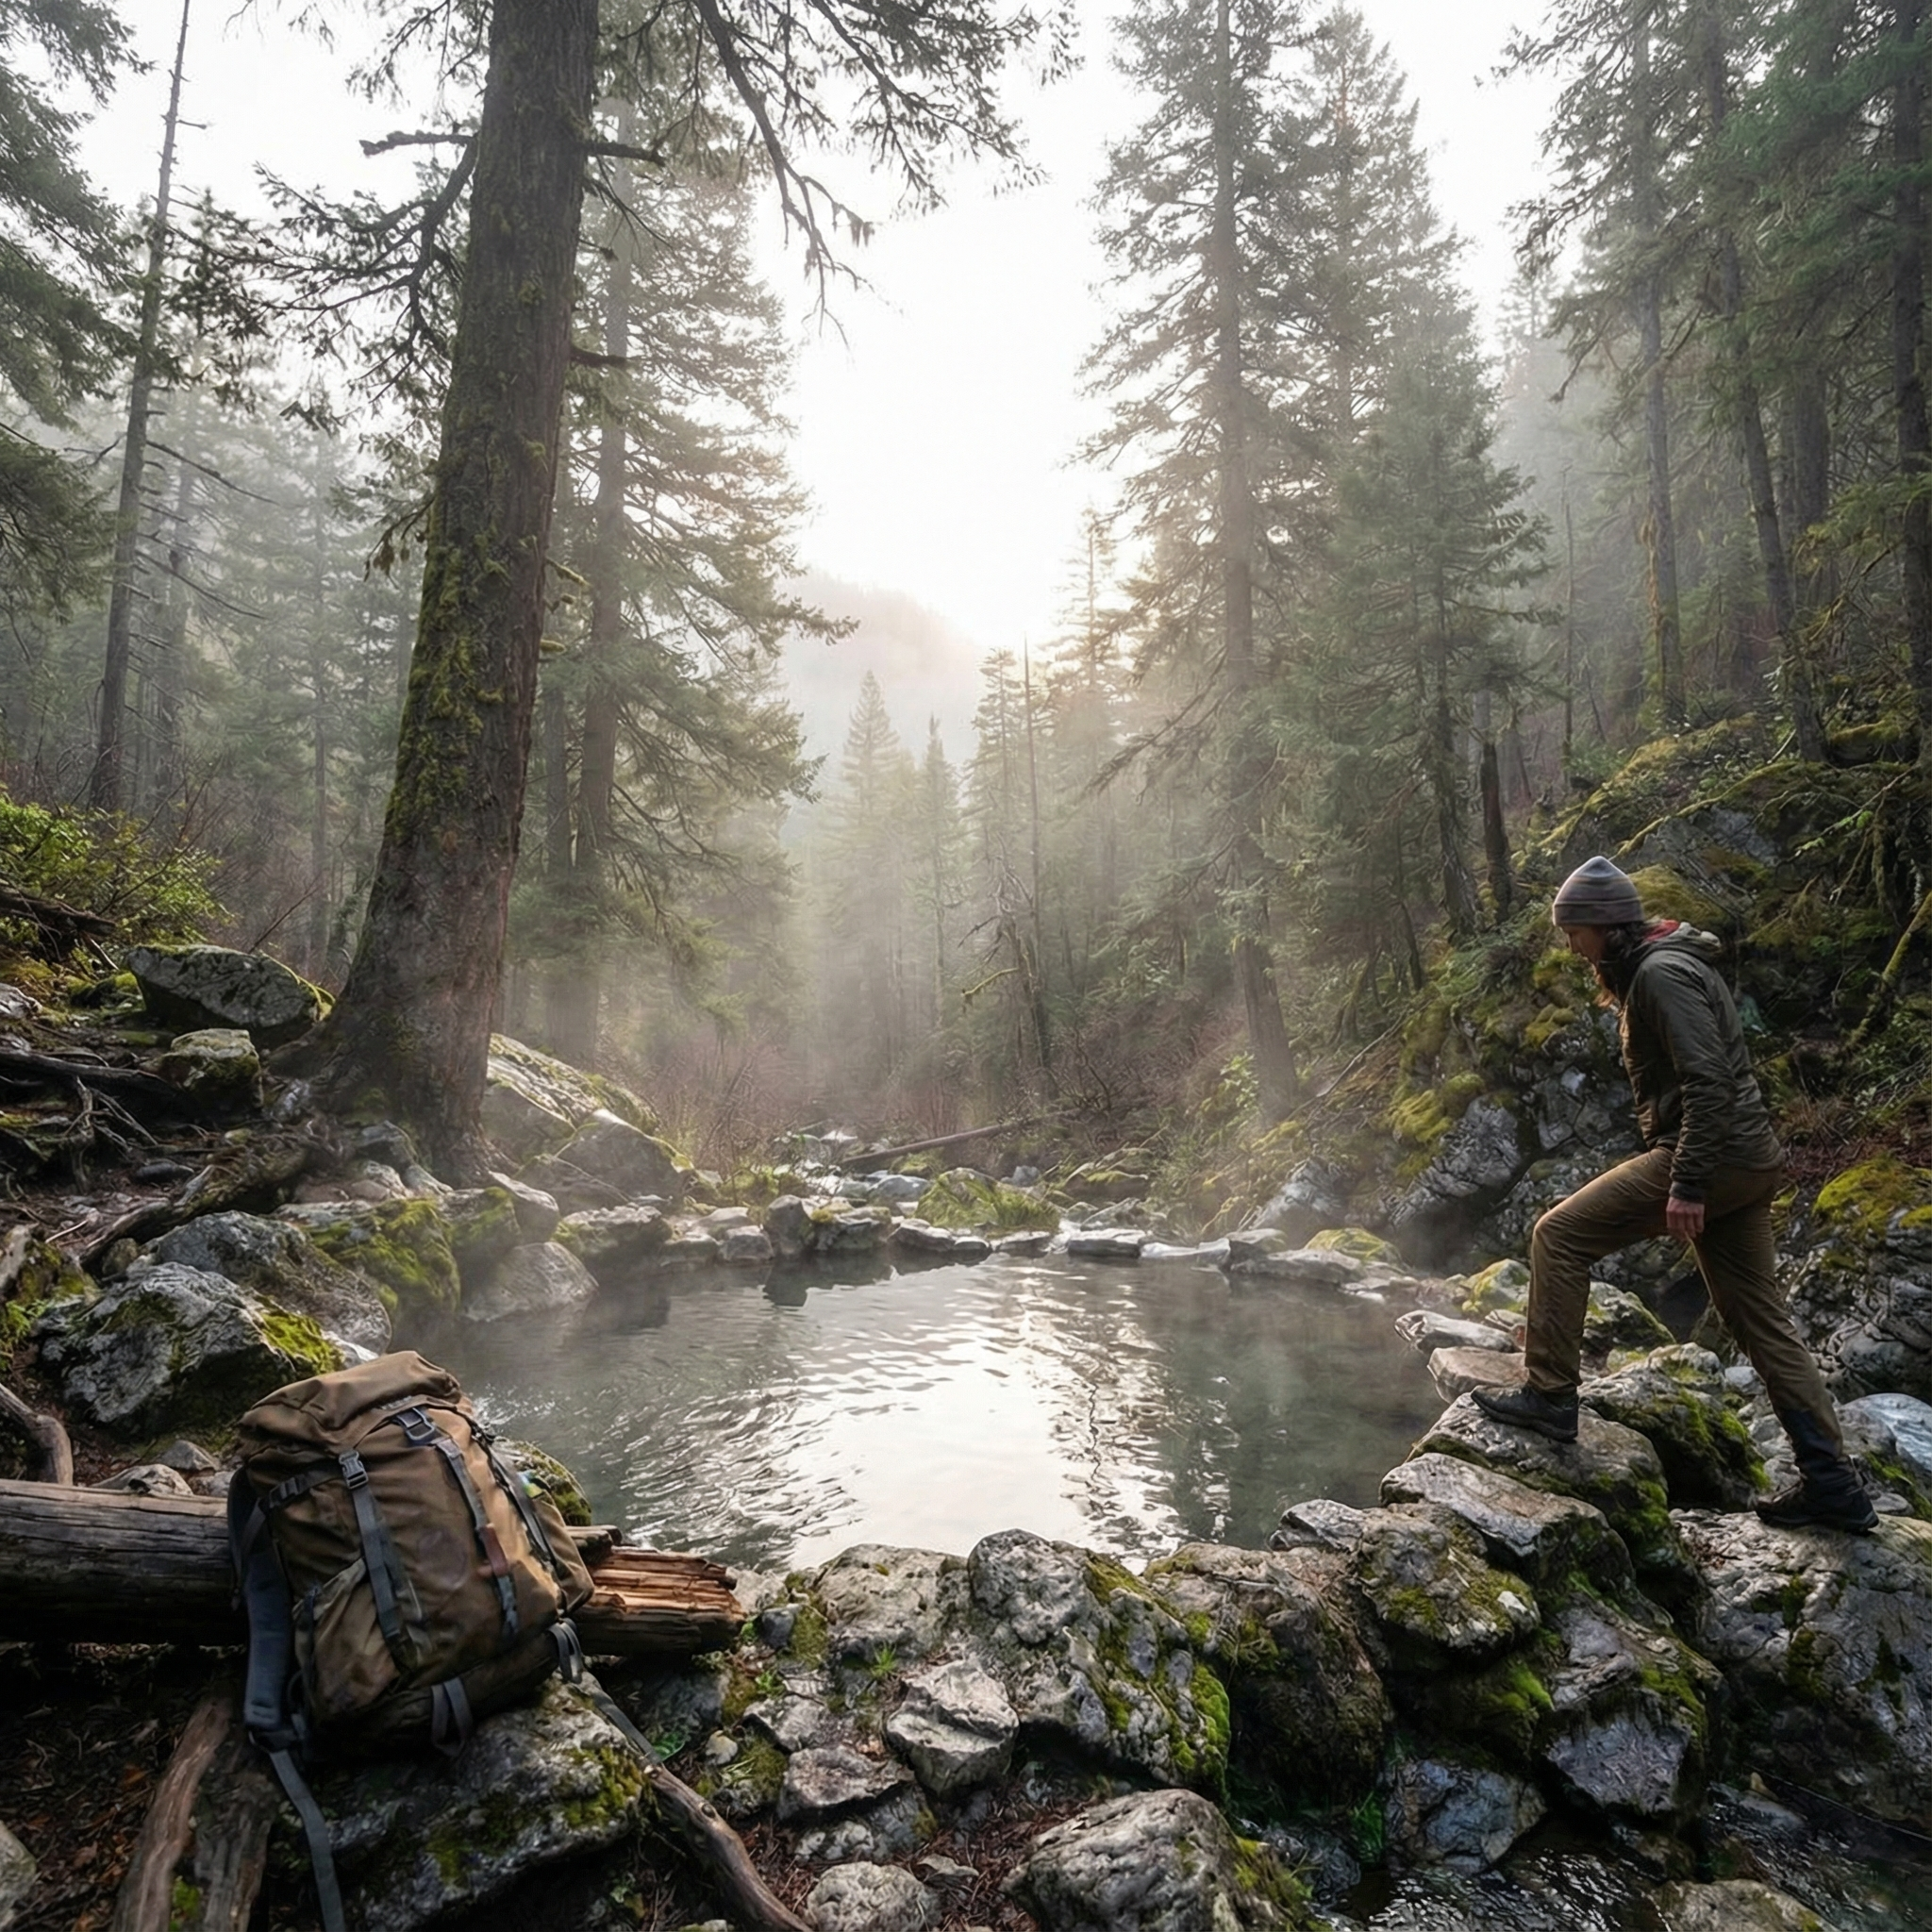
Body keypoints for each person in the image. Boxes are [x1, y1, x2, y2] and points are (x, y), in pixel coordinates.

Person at [1473, 855, 1876, 1534]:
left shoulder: (1661, 976)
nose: (1571, 946)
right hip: (1743, 1162)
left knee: (1558, 1235)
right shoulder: (1665, 965)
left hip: (1710, 1160)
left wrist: (1687, 1182)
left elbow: (1708, 1084)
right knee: (1759, 1321)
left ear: (1605, 925)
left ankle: (1549, 1397)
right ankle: (1834, 1484)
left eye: (1575, 931)